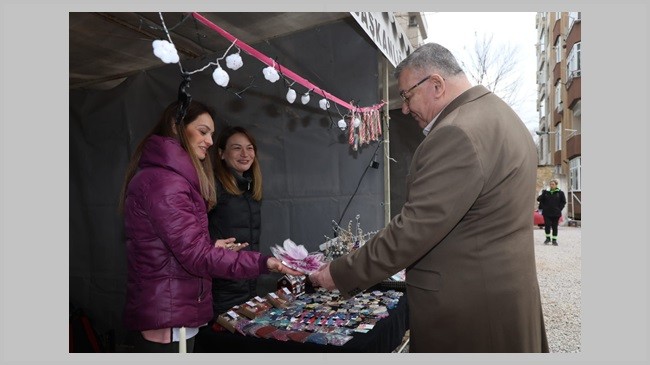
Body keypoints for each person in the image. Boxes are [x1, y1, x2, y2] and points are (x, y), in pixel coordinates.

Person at [309, 43, 548, 352]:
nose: (405, 109)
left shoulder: (457, 132)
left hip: (470, 314)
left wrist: (339, 273)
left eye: (407, 96)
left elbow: (413, 229)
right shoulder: (503, 116)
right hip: (503, 299)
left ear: (436, 84)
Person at [120, 100, 301, 352]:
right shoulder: (166, 183)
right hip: (170, 317)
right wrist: (263, 263)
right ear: (176, 126)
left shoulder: (169, 179)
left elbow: (174, 246)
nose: (209, 140)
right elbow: (194, 256)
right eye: (203, 131)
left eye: (211, 134)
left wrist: (211, 246)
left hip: (175, 312)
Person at [208, 126, 264, 316]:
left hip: (248, 287)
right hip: (220, 290)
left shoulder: (250, 189)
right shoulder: (212, 187)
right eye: (236, 148)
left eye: (249, 148)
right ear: (222, 154)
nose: (245, 154)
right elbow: (191, 236)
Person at [537, 179, 567, 245]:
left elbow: (563, 202)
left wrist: (559, 209)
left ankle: (554, 240)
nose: (551, 185)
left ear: (556, 185)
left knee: (554, 227)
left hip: (556, 213)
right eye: (550, 184)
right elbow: (539, 199)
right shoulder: (546, 192)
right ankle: (548, 239)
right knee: (547, 226)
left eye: (553, 184)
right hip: (547, 213)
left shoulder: (560, 193)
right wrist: (543, 193)